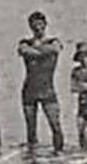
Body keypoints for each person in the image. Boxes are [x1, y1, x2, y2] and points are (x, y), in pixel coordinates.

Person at [17, 11, 65, 152]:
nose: (38, 28)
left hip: (47, 89)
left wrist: (37, 49)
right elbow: (24, 50)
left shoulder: (53, 41)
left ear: (45, 25)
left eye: (40, 25)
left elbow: (55, 49)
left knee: (55, 125)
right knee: (31, 129)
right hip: (29, 90)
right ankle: (33, 159)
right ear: (30, 26)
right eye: (35, 25)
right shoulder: (25, 42)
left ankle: (59, 155)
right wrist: (42, 51)